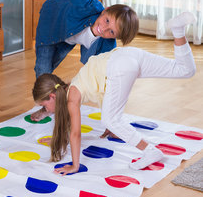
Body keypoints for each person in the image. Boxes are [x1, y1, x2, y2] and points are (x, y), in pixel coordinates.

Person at [32, 12, 196, 174]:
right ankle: (178, 30)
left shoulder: (72, 99)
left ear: (52, 96)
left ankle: (150, 151)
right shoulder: (71, 86)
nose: (46, 110)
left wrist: (75, 165)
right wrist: (59, 138)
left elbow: (75, 134)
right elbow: (105, 91)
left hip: (119, 66)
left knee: (110, 119)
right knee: (185, 70)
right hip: (127, 55)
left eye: (44, 106)